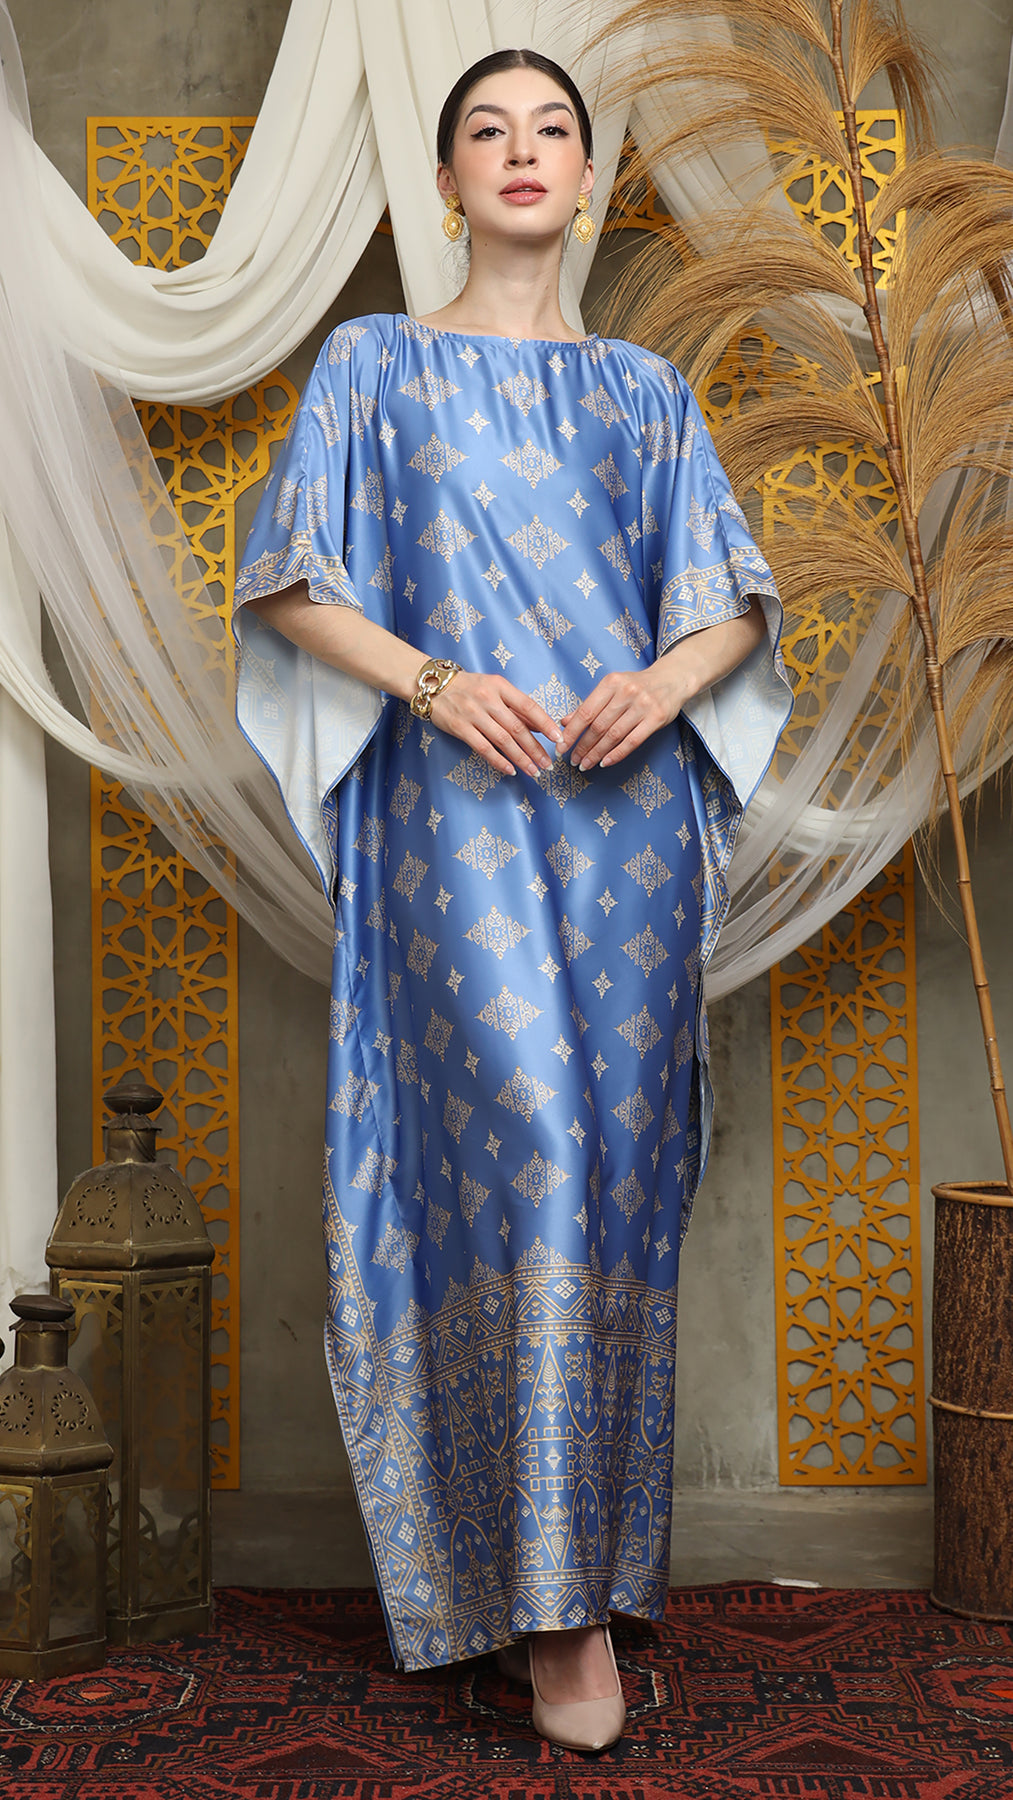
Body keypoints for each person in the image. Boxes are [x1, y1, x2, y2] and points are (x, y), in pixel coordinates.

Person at [232, 47, 792, 1753]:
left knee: (609, 1181)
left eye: (552, 129)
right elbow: (288, 577)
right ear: (448, 177)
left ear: (589, 174)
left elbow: (737, 598)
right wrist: (430, 680)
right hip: (450, 827)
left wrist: (661, 681)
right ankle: (548, 1621)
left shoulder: (641, 390)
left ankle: (573, 1577)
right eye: (488, 129)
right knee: (525, 1153)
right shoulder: (375, 366)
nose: (522, 150)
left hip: (626, 835)